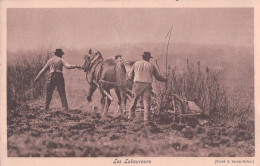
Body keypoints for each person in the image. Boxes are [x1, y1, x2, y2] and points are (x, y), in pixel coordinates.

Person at [128, 52, 167, 123]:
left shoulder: (136, 64)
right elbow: (158, 77)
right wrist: (165, 79)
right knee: (146, 102)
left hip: (137, 84)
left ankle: (130, 116)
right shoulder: (151, 66)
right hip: (147, 85)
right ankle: (146, 119)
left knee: (134, 100)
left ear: (142, 57)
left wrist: (133, 82)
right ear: (148, 58)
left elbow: (130, 76)